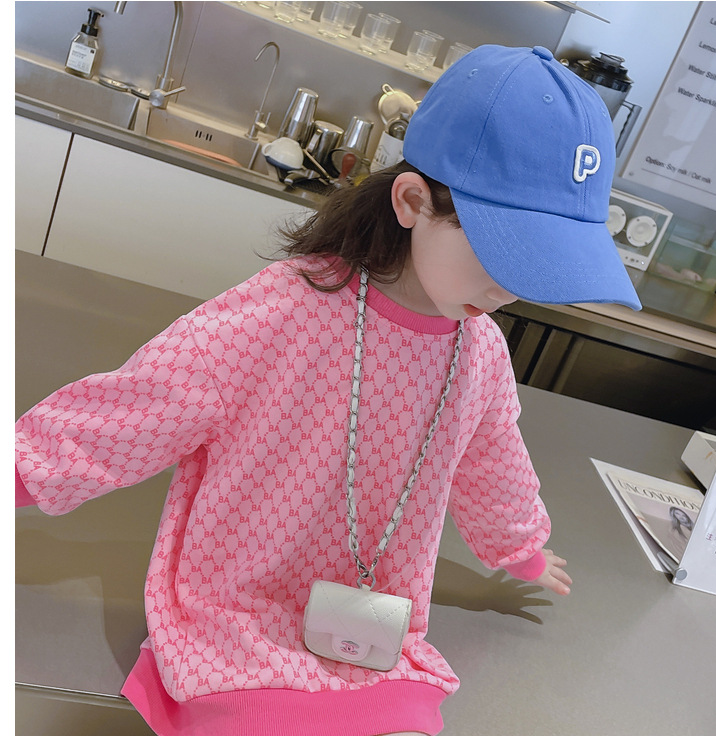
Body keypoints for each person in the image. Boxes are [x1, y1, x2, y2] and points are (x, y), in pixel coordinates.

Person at [15, 45, 641, 736]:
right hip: (240, 619)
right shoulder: (285, 310)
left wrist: (519, 547)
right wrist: (24, 466)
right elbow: (148, 401)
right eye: (503, 252)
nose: (511, 288)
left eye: (541, 266)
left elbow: (492, 457)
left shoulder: (481, 351)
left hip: (375, 641)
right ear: (412, 201)